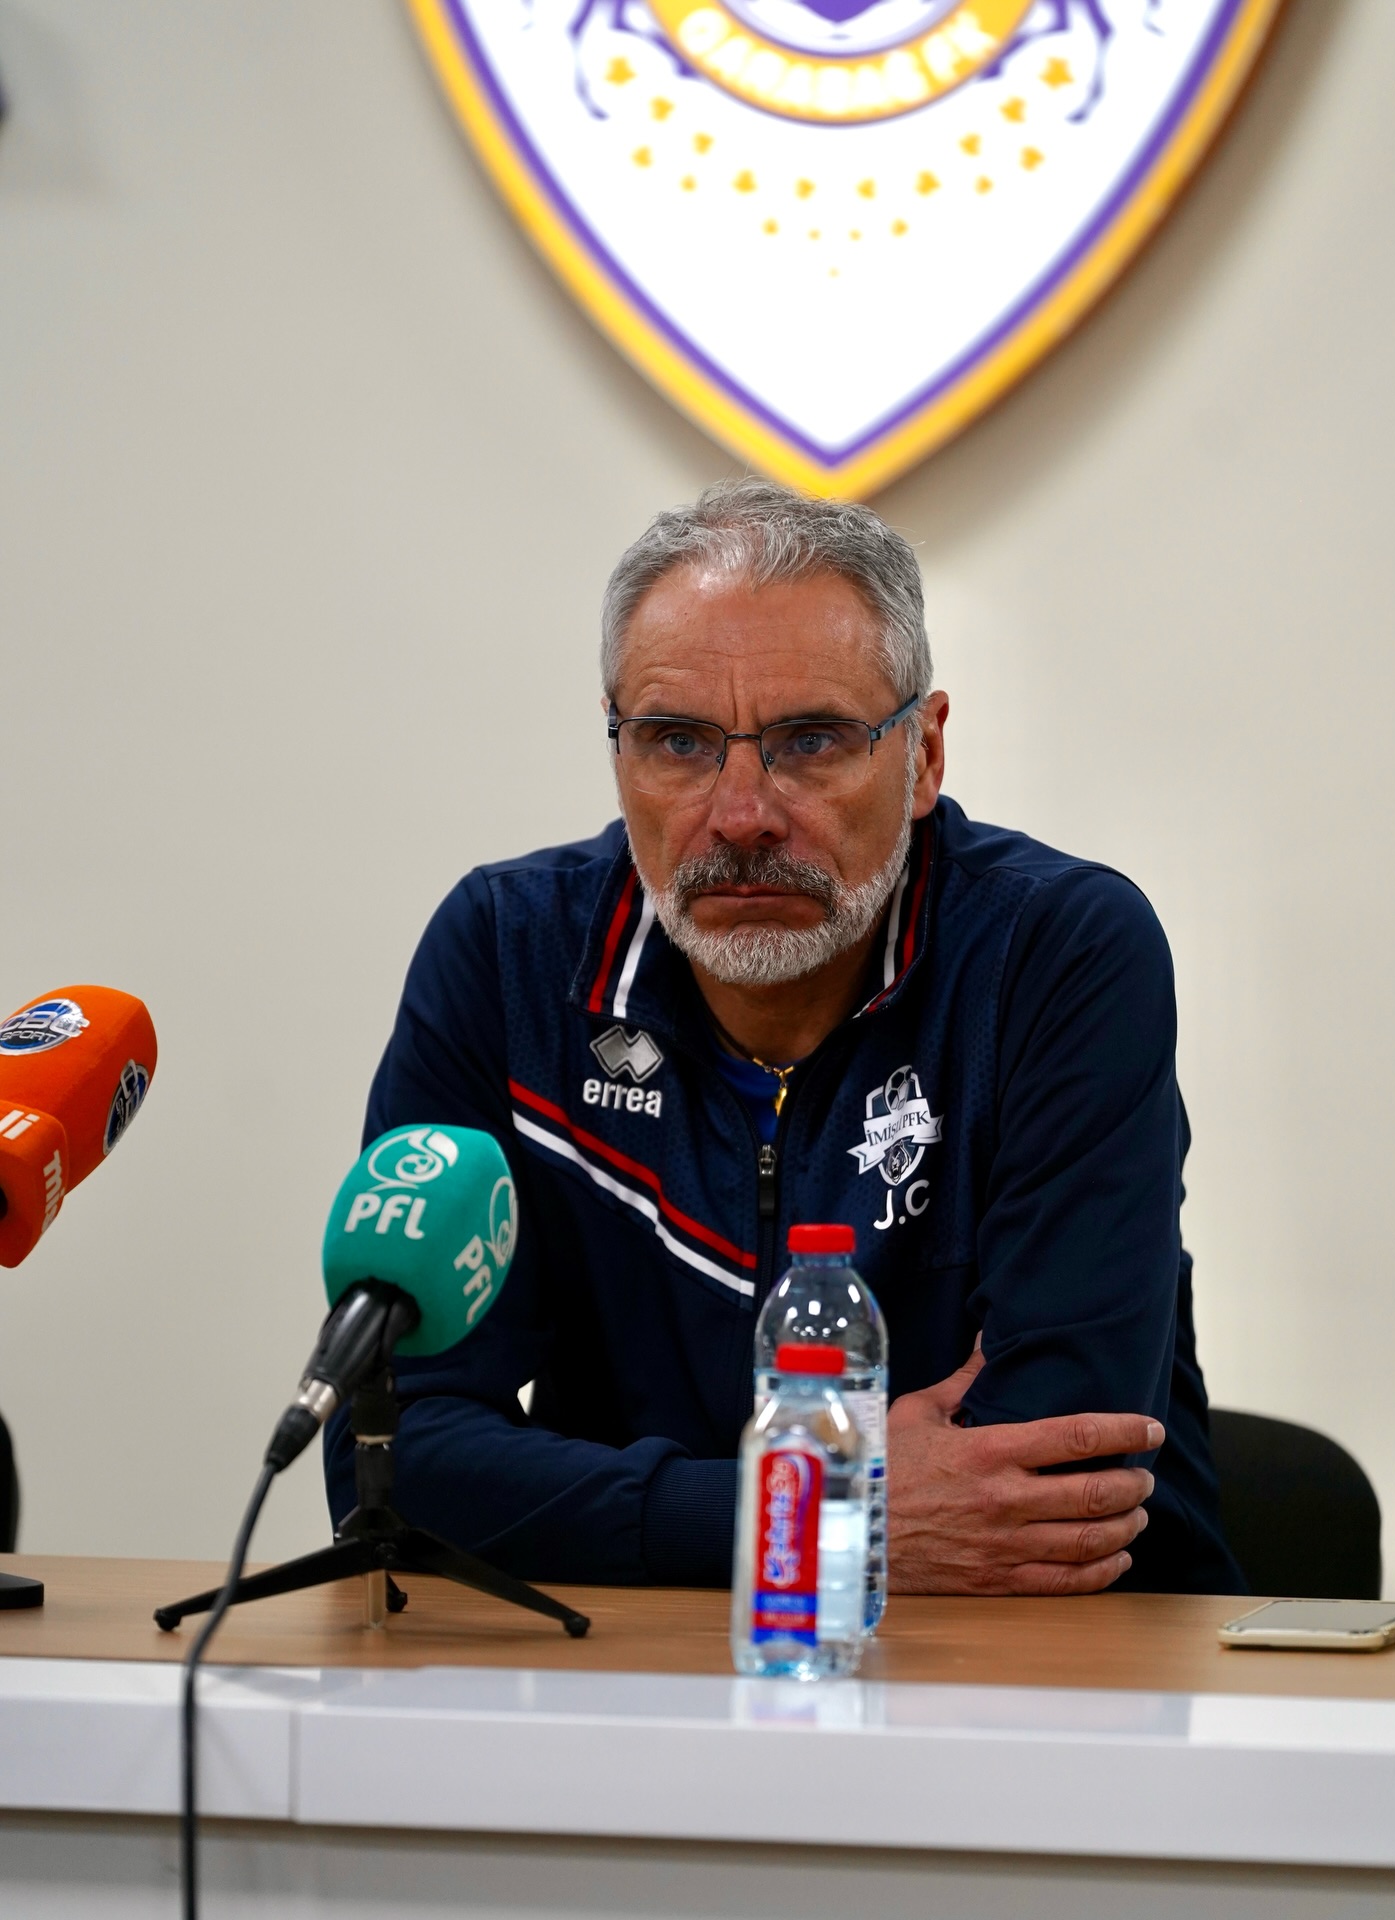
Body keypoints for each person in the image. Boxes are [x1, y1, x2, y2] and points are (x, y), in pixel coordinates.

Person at [325, 479, 1242, 1596]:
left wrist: (624, 1514)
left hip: (1066, 1663)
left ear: (924, 756)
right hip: (642, 1669)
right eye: (677, 741)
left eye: (810, 741)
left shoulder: (1055, 954)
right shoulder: (509, 956)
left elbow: (1043, 1484)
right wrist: (800, 1515)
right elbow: (387, 1462)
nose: (742, 814)